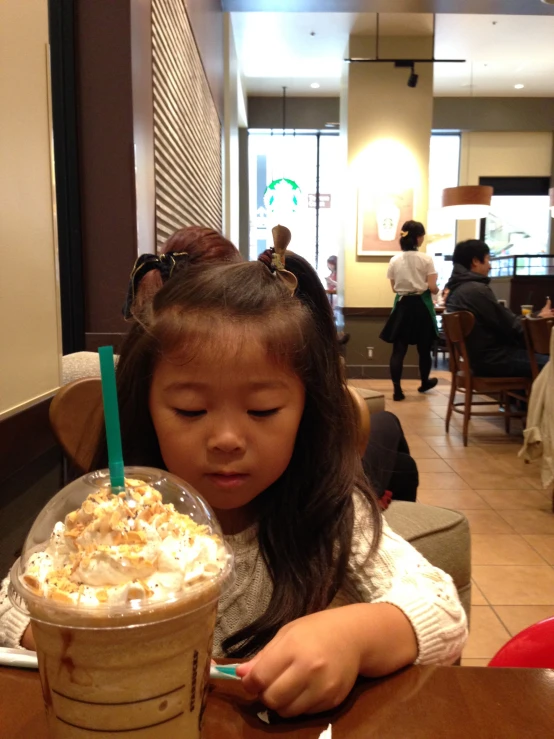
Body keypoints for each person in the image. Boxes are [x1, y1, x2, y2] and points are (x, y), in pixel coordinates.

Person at [1, 244, 467, 718]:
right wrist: (76, 632)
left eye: (262, 410)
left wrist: (353, 637)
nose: (226, 439)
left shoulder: (328, 512)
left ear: (307, 412)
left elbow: (443, 612)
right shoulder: (105, 530)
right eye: (191, 410)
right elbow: (8, 607)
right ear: (145, 410)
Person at [285, 249, 419, 504]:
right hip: (322, 492)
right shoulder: (304, 355)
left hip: (315, 477)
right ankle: (372, 507)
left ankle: (381, 504)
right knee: (390, 424)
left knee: (404, 467)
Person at [445, 239, 552, 377]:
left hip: (477, 359)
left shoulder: (457, 289)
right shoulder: (475, 290)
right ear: (475, 261)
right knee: (551, 363)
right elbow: (513, 326)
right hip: (493, 359)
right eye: (488, 260)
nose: (490, 266)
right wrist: (538, 317)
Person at [380, 221, 440, 401]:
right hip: (421, 306)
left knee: (398, 351)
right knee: (424, 349)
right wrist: (437, 290)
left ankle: (397, 390)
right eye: (422, 235)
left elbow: (393, 288)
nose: (423, 238)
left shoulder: (394, 260)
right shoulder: (426, 259)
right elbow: (432, 287)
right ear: (417, 237)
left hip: (403, 306)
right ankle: (424, 383)